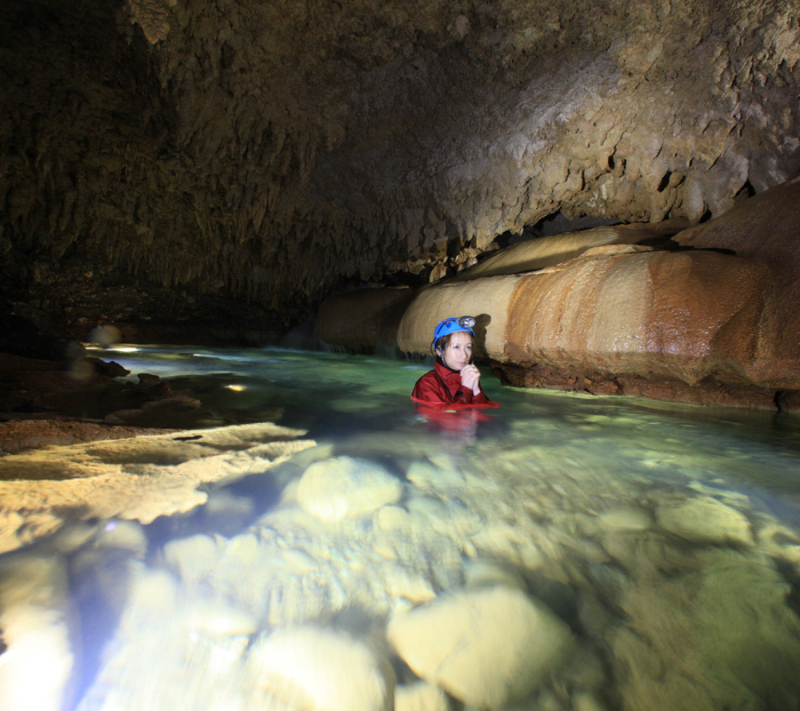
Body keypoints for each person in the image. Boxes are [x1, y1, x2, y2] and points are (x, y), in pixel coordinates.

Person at [411, 316, 499, 409]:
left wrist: (477, 391)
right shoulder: (426, 384)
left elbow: (483, 414)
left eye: (468, 347)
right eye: (456, 347)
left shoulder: (468, 378)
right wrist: (465, 389)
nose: (464, 355)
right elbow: (447, 421)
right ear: (440, 351)